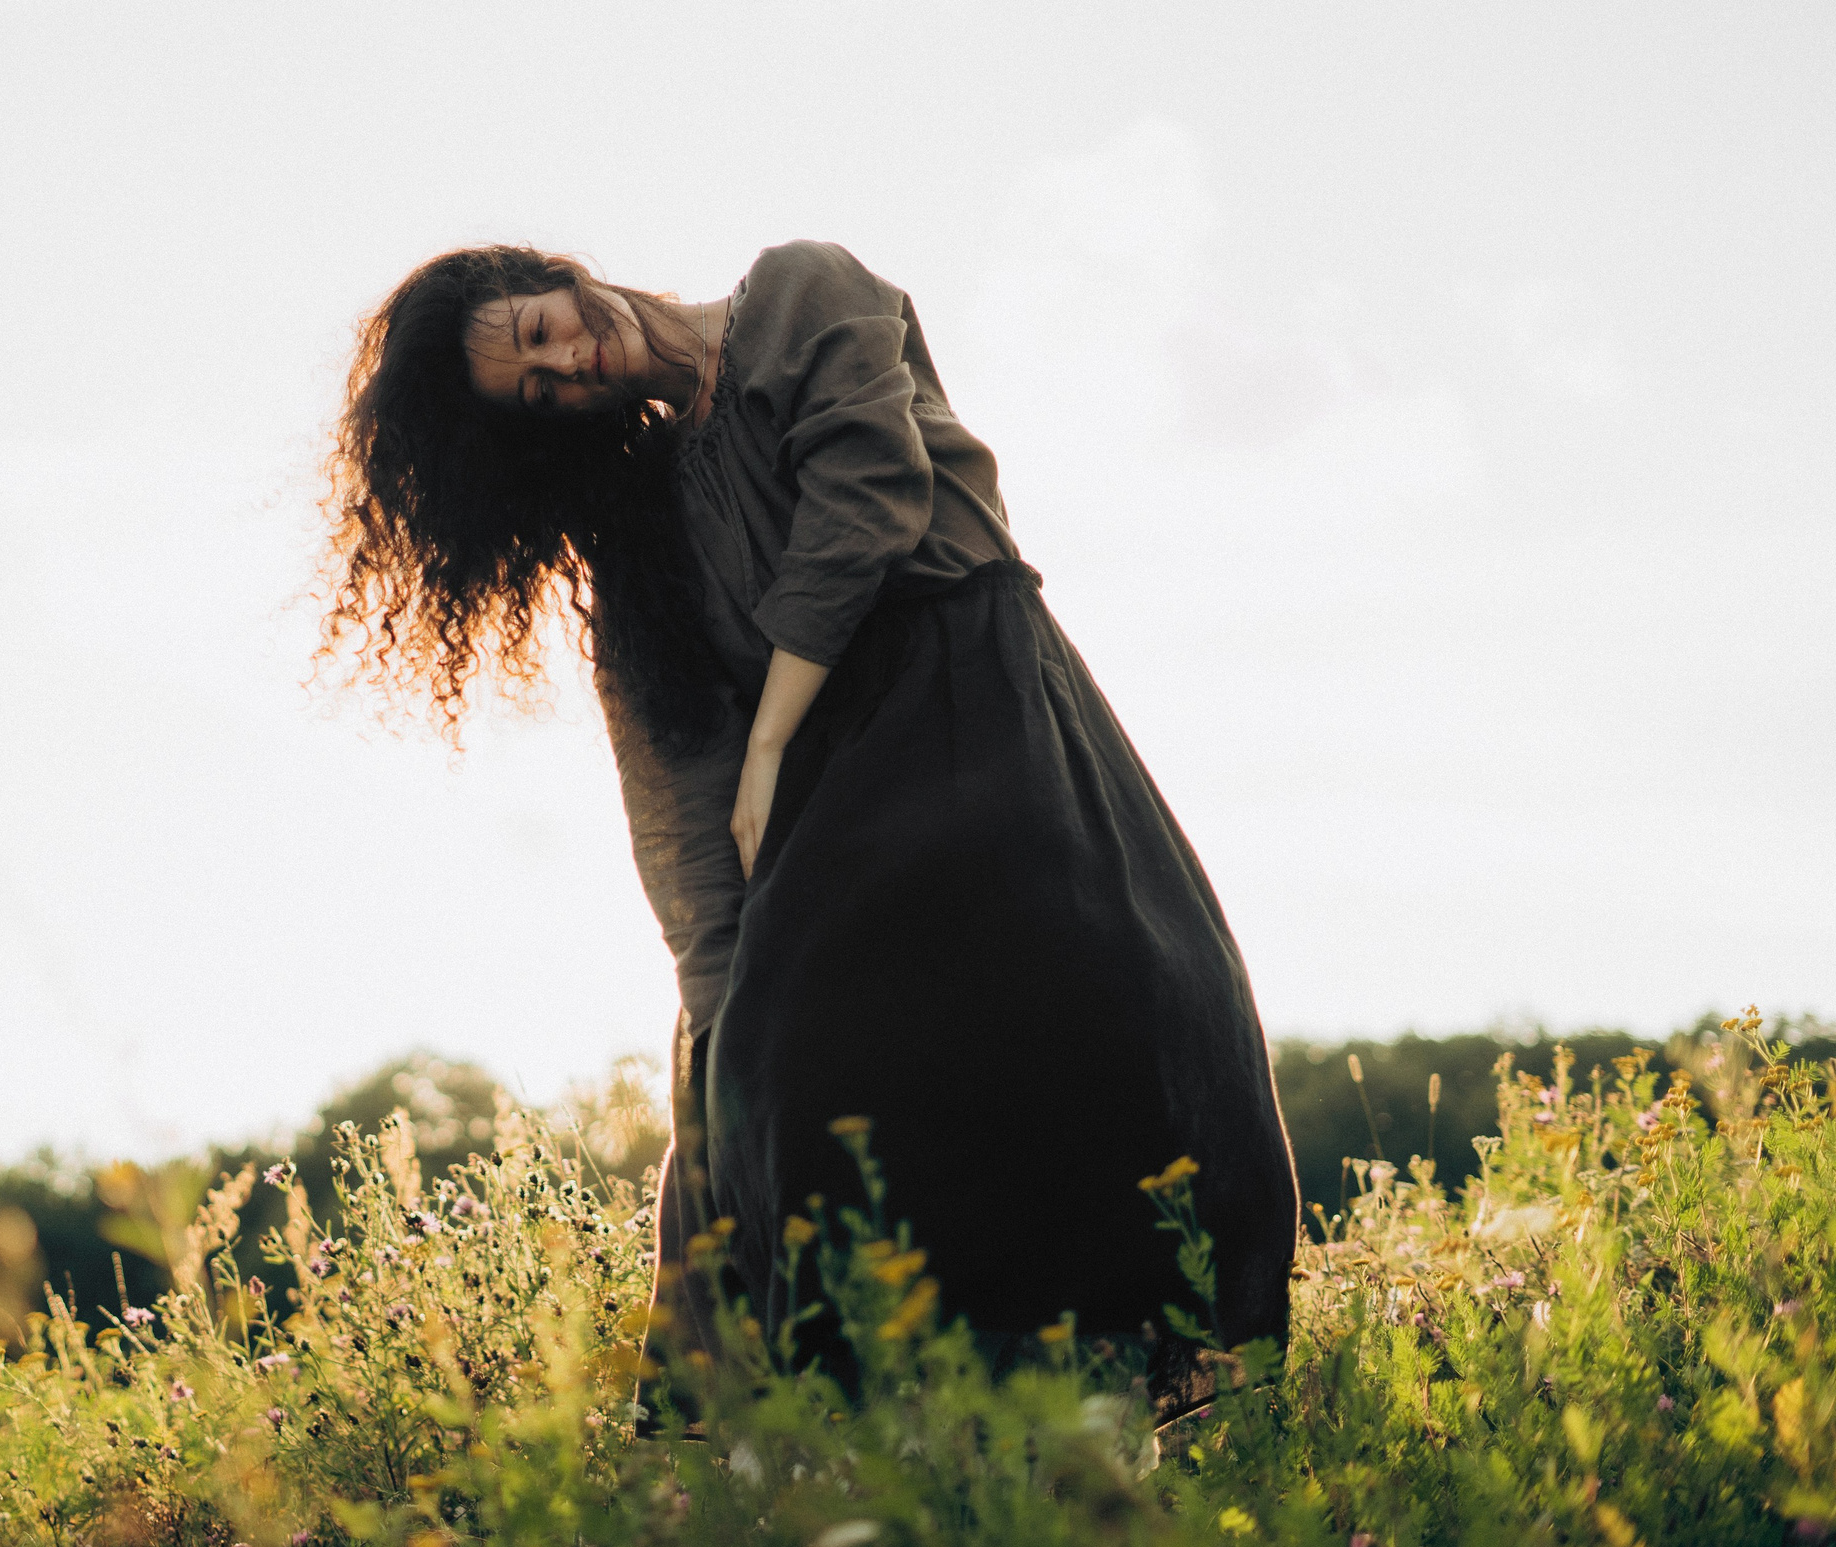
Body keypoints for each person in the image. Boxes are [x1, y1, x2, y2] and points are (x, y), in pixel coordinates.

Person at [315, 239, 1299, 1393]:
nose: (574, 362)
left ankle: (1164, 1372)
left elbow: (868, 502)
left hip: (982, 730)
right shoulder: (637, 517)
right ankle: (875, 1436)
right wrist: (713, 1002)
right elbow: (672, 776)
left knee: (1110, 1032)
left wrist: (772, 738)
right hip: (818, 817)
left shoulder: (797, 296)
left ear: (553, 273)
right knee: (774, 1089)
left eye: (542, 331)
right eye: (541, 391)